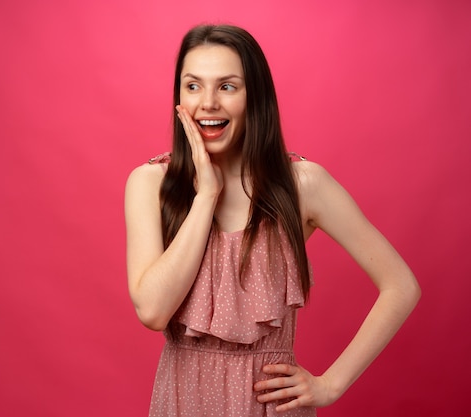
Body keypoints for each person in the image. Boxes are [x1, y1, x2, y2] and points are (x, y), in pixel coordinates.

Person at [124, 24, 420, 417]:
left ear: (255, 97)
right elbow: (153, 311)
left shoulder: (302, 184)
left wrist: (331, 384)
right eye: (193, 86)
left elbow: (401, 285)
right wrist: (207, 195)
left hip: (269, 407)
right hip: (182, 400)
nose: (207, 103)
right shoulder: (150, 183)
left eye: (227, 86)